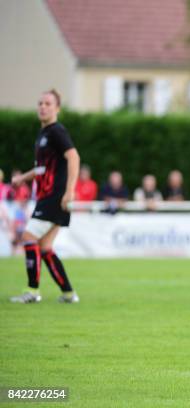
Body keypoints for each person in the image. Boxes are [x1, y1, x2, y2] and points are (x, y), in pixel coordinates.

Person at [9, 89, 80, 304]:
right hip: (49, 196)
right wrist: (23, 178)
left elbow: (74, 157)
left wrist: (70, 190)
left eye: (48, 103)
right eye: (40, 103)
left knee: (28, 238)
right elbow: (43, 169)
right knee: (45, 247)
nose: (42, 107)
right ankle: (69, 293)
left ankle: (32, 291)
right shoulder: (43, 134)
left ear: (57, 108)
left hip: (55, 197)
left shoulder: (56, 131)